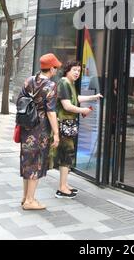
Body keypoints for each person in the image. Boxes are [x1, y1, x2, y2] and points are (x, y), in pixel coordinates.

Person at [51, 61, 103, 199]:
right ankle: (62, 188)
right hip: (63, 125)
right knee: (66, 156)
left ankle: (64, 185)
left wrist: (93, 97)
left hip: (68, 125)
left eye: (79, 71)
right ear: (67, 70)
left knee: (68, 156)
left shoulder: (69, 83)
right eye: (74, 70)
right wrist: (83, 110)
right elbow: (67, 105)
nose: (77, 73)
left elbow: (76, 98)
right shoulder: (63, 83)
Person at [19, 53, 61, 210]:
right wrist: (56, 133)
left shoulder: (29, 80)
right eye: (55, 68)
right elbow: (51, 112)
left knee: (27, 161)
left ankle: (25, 197)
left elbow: (20, 101)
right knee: (36, 163)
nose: (56, 71)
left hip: (26, 126)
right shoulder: (51, 86)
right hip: (40, 129)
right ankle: (30, 201)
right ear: (51, 68)